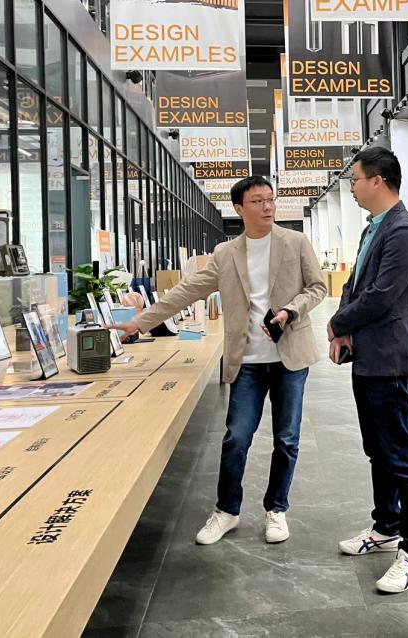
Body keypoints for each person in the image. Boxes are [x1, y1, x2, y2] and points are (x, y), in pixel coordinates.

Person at [111, 175, 327, 546]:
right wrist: (140, 322)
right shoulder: (226, 253)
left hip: (289, 357)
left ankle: (277, 509)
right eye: (257, 201)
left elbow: (317, 287)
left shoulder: (295, 242)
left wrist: (291, 310)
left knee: (286, 438)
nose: (267, 207)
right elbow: (186, 291)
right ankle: (227, 510)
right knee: (236, 438)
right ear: (239, 208)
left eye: (270, 199)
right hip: (246, 362)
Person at [327, 147, 408, 594]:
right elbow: (354, 285)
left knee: (400, 455)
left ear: (378, 181)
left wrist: (338, 323)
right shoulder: (375, 227)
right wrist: (344, 327)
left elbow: (383, 296)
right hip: (370, 357)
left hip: (392, 359)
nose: (351, 187)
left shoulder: (403, 231)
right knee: (379, 450)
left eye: (355, 179)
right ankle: (387, 526)